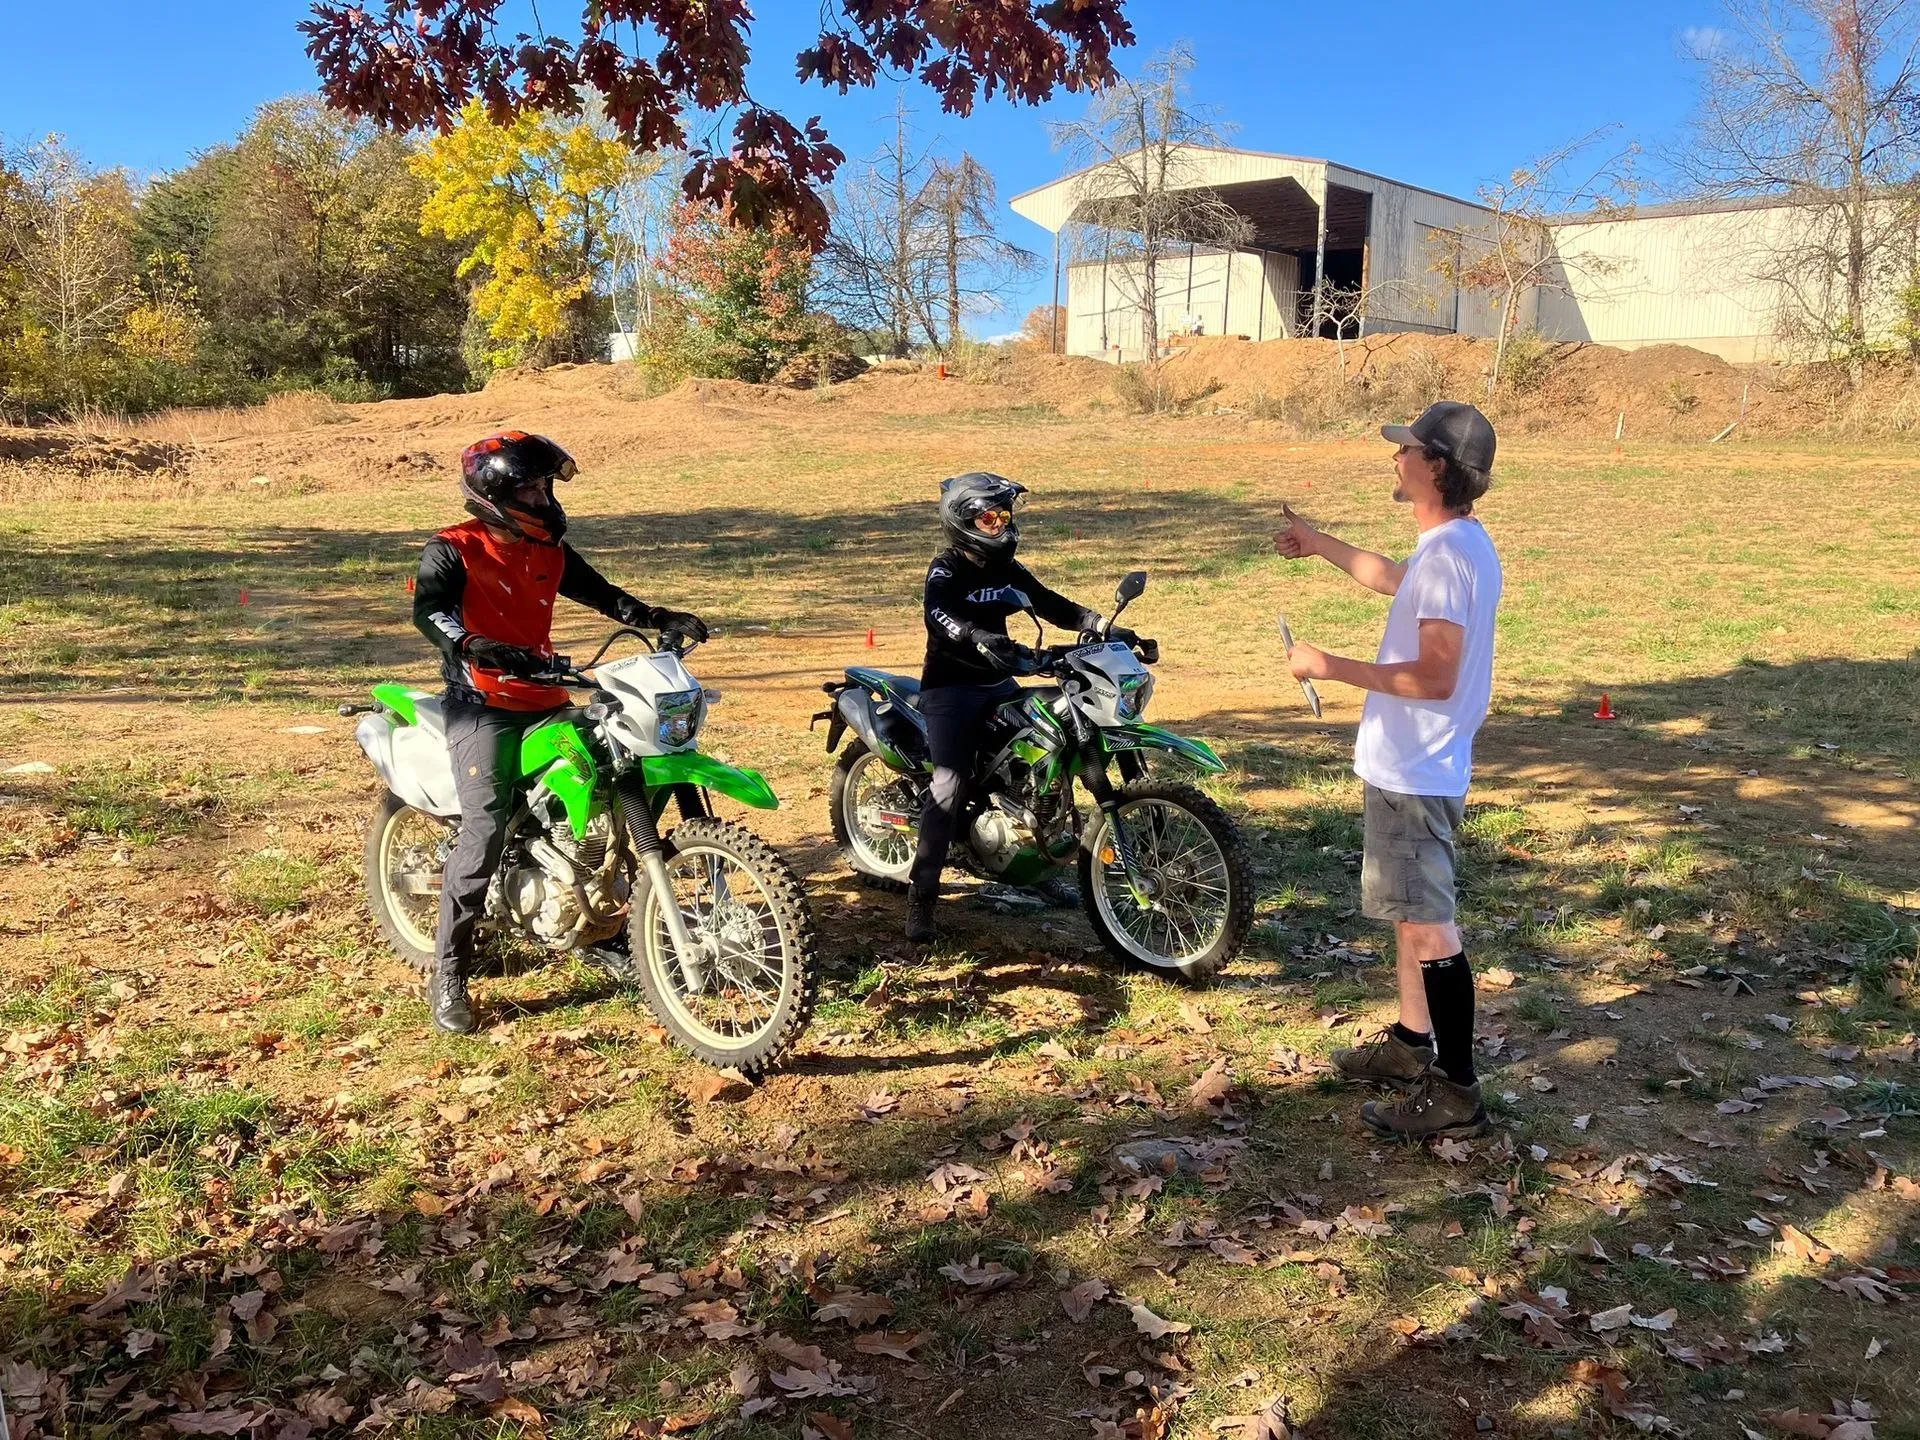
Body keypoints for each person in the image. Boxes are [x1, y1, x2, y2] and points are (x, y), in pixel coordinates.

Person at [412, 431, 706, 1035]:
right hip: (482, 702)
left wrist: (655, 617)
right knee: (486, 824)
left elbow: (604, 596)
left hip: (547, 694)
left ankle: (601, 923)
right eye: (531, 487)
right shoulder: (452, 548)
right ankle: (449, 971)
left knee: (611, 782)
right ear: (496, 494)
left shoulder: (548, 550)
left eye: (546, 486)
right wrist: (470, 645)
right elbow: (430, 612)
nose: (543, 498)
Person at [1273, 401, 1504, 1140]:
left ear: (1435, 467)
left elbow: (1436, 677)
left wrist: (1328, 666)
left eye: (1406, 450)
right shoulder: (1459, 545)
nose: (1395, 459)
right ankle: (1410, 1047)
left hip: (1416, 773)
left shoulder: (1448, 558)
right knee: (1412, 916)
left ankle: (1459, 1091)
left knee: (1432, 928)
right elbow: (1396, 579)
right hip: (1415, 768)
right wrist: (1319, 544)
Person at [906, 472, 1148, 943]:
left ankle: (1041, 862)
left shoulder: (1007, 569)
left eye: (1005, 516)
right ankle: (923, 894)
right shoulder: (947, 567)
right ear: (964, 522)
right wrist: (974, 635)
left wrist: (1102, 626)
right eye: (990, 518)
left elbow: (1051, 603)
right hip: (950, 689)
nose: (1001, 525)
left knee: (1050, 752)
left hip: (999, 682)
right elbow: (936, 612)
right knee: (949, 783)